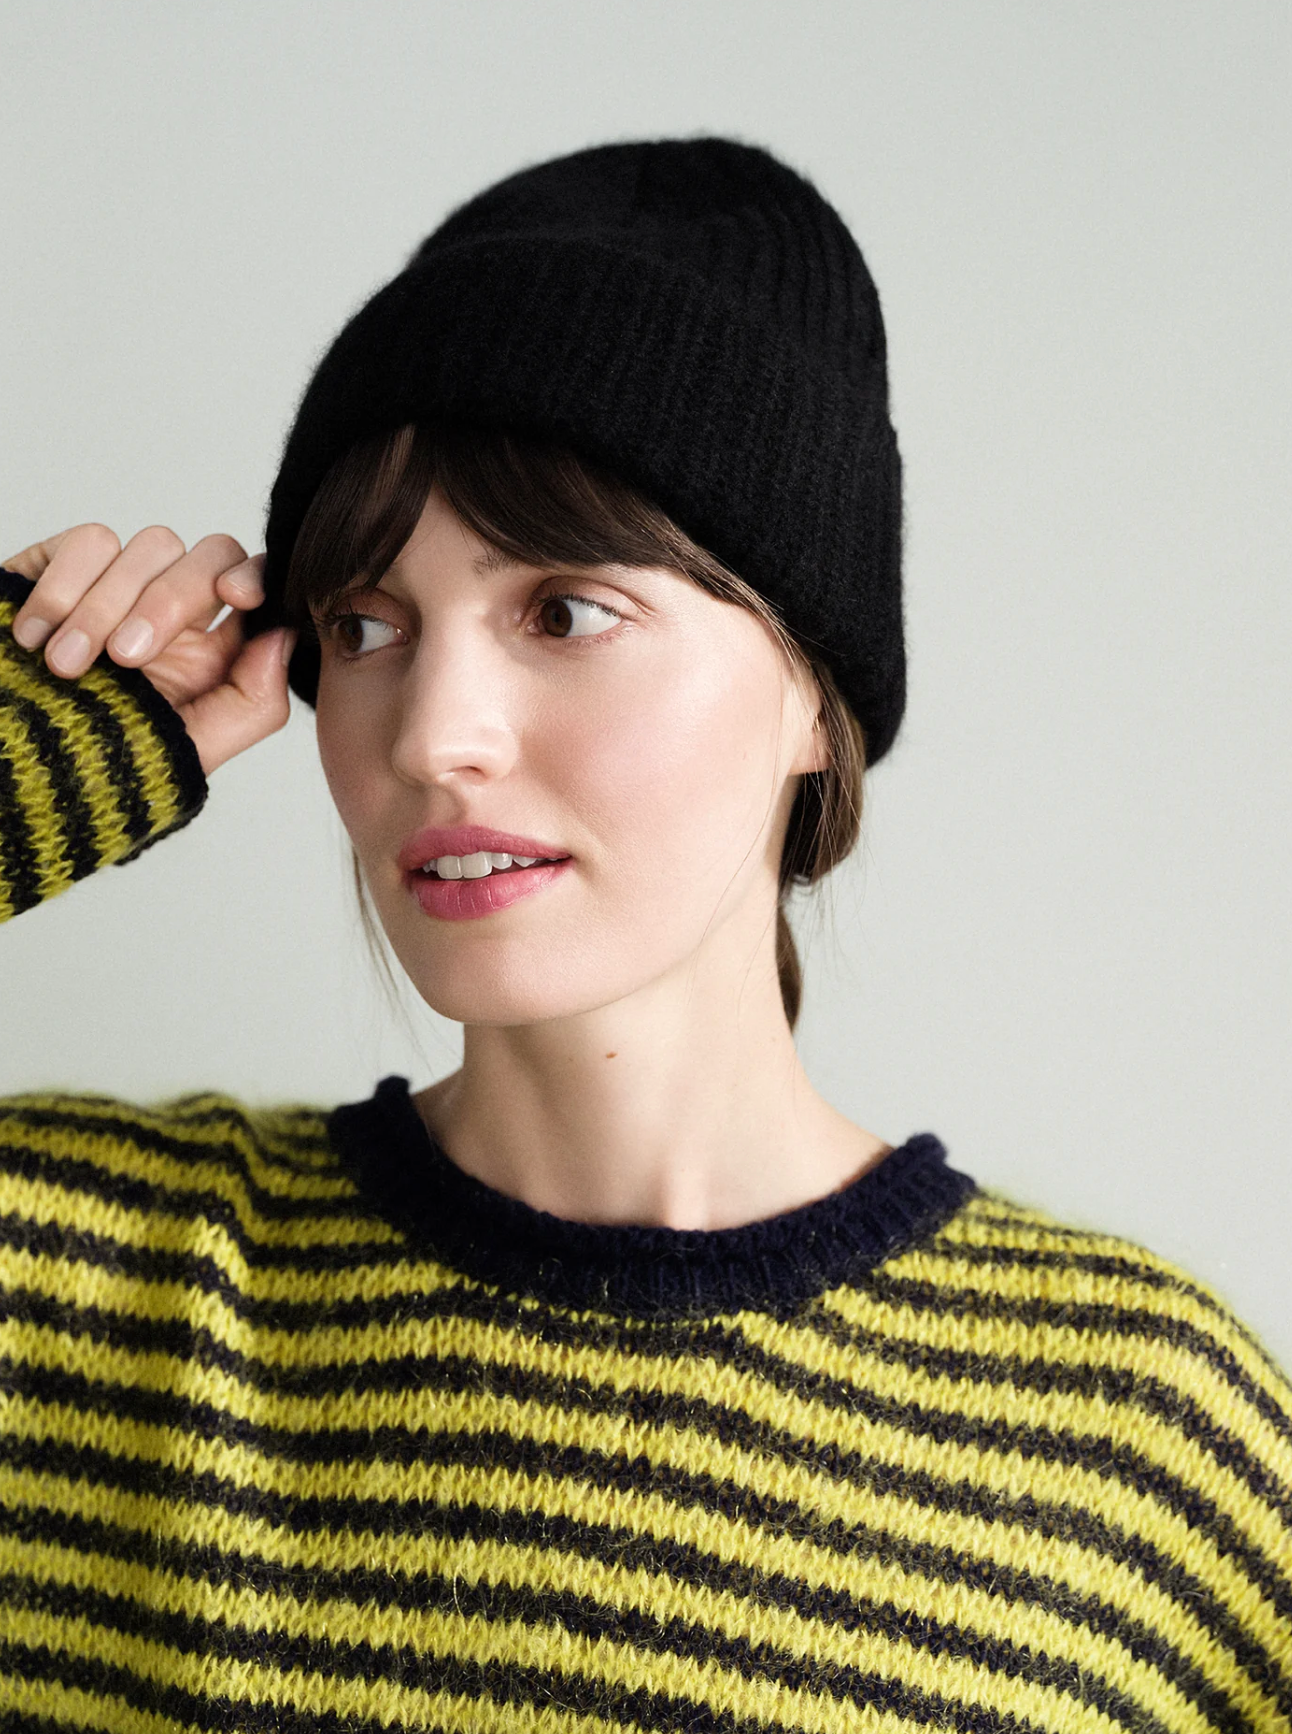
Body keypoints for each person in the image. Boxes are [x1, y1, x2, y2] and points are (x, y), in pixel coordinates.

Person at [0, 137, 1288, 1734]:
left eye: (565, 611)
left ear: (811, 691)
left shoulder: (1147, 1455)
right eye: (367, 624)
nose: (432, 735)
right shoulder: (76, 1297)